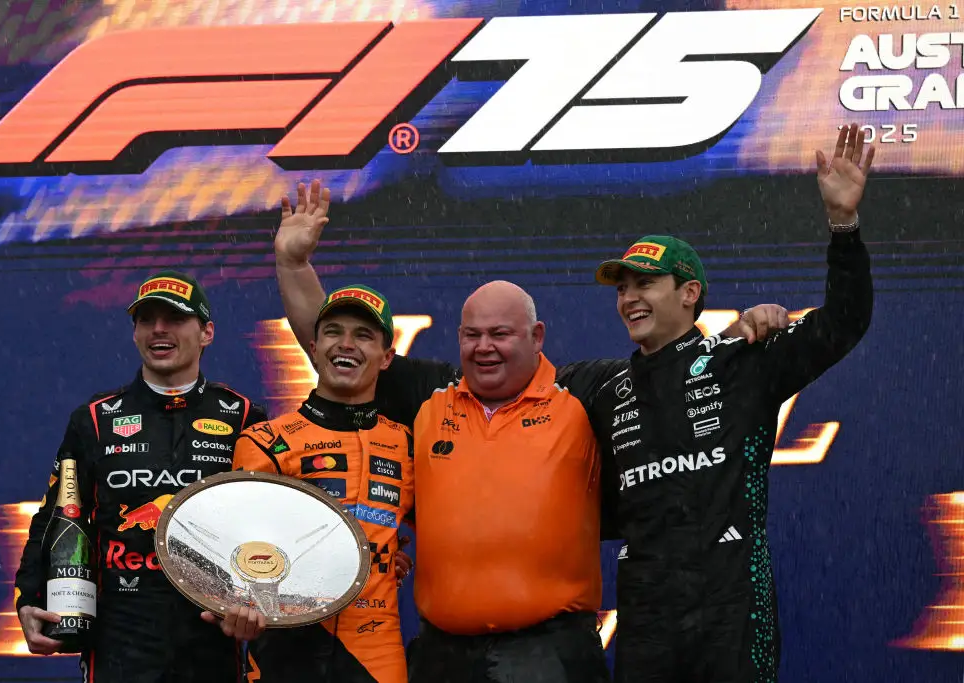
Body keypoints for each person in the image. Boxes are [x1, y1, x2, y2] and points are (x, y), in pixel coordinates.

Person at [267, 182, 792, 682]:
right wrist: (294, 263)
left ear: (537, 337)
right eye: (472, 335)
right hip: (444, 652)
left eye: (500, 334)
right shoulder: (432, 394)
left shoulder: (585, 391)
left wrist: (734, 336)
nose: (484, 347)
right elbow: (338, 352)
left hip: (553, 653)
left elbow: (671, 367)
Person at [591, 123, 875, 682]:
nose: (629, 299)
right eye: (622, 288)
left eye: (644, 284)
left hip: (733, 609)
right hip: (645, 614)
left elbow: (845, 321)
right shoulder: (601, 385)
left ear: (688, 292)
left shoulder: (744, 361)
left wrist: (843, 225)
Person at [15, 270, 268, 683]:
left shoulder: (243, 416)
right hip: (122, 632)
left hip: (210, 632)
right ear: (134, 333)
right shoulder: (95, 419)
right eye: (146, 319)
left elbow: (265, 522)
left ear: (207, 332)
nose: (159, 329)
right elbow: (56, 514)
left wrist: (260, 602)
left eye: (174, 318)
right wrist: (29, 597)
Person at [215, 284, 414, 683]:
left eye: (363, 335)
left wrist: (394, 556)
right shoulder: (264, 441)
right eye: (333, 331)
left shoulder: (406, 443)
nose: (346, 344)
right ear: (314, 345)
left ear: (387, 356)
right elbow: (232, 557)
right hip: (283, 650)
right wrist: (233, 606)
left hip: (375, 651)